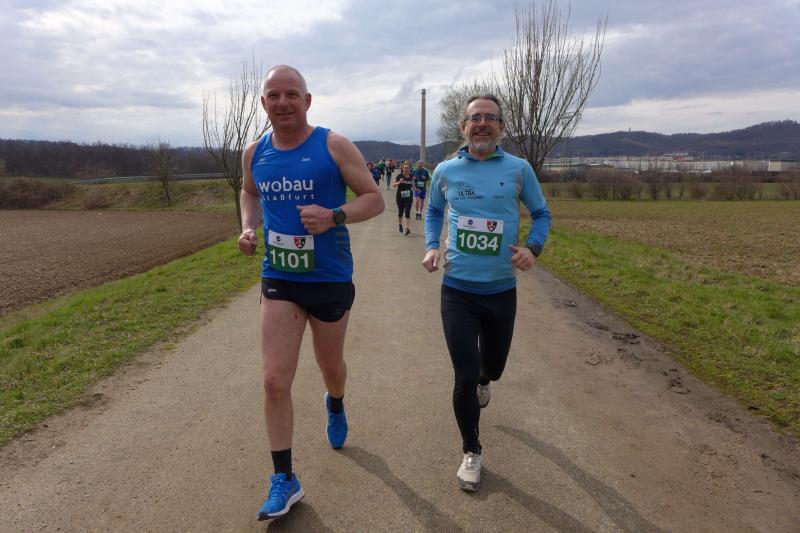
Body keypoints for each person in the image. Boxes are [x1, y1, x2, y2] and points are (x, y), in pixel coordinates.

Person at [239, 65, 384, 520]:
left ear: (307, 100)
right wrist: (248, 227)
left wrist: (334, 215)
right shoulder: (254, 152)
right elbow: (249, 193)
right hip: (280, 276)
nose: (282, 102)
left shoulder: (332, 144)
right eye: (273, 95)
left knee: (330, 366)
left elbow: (374, 198)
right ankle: (284, 478)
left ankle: (335, 402)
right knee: (274, 379)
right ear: (263, 103)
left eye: (291, 94)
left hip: (329, 278)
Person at [422, 94, 551, 492]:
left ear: (501, 127)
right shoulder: (446, 170)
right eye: (474, 117)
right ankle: (471, 451)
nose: (482, 123)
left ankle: (486, 378)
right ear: (463, 127)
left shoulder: (519, 169)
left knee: (491, 367)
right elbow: (434, 210)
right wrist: (432, 245)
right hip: (457, 291)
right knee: (463, 374)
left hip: (501, 291)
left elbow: (542, 214)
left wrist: (533, 248)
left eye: (490, 118)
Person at [393, 162, 415, 235]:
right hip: (400, 197)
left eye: (407, 168)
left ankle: (406, 228)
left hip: (409, 197)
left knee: (407, 211)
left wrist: (415, 189)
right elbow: (394, 185)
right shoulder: (399, 176)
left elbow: (412, 184)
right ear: (402, 169)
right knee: (401, 212)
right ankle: (400, 225)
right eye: (405, 168)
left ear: (410, 169)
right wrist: (399, 182)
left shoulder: (411, 176)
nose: (406, 169)